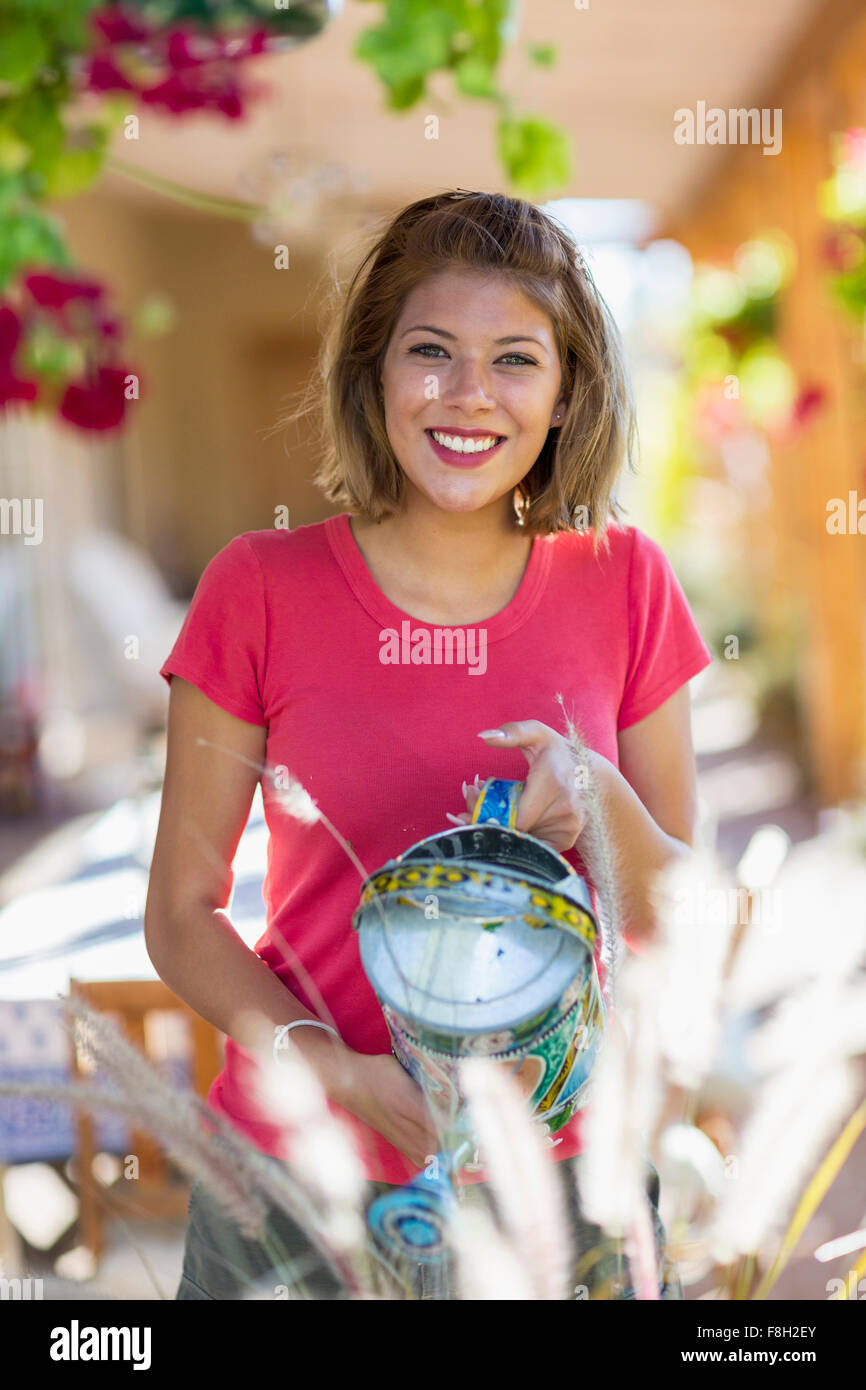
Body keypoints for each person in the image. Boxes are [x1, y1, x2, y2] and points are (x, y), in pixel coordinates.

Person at [145, 189, 713, 1300]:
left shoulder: (625, 583)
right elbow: (177, 913)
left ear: (564, 397)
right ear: (373, 375)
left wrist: (594, 796)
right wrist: (340, 1078)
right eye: (429, 352)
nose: (466, 395)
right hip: (296, 1178)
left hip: (561, 1191)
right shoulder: (256, 588)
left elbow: (678, 918)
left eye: (513, 359)